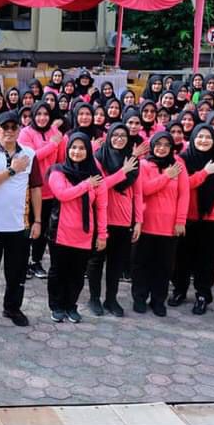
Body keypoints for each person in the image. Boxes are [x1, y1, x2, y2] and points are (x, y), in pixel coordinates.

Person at [0, 111, 43, 328]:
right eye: (5, 127)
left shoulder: (29, 154)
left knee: (17, 272)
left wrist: (38, 220)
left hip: (19, 225)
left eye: (14, 127)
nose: (9, 132)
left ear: (19, 130)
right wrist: (12, 170)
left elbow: (36, 188)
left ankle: (12, 307)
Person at [45, 132, 108, 323]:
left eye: (81, 148)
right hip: (60, 232)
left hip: (84, 234)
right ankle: (56, 306)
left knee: (77, 274)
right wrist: (86, 185)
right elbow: (63, 194)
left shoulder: (96, 177)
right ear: (67, 149)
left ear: (88, 151)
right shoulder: (58, 171)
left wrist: (102, 235)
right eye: (73, 147)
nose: (77, 151)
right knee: (58, 271)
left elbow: (101, 208)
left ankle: (70, 305)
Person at [86, 124, 143, 314]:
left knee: (116, 263)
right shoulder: (98, 158)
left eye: (123, 136)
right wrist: (122, 172)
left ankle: (111, 299)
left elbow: (138, 193)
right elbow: (100, 185)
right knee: (96, 261)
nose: (119, 138)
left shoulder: (133, 161)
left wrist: (138, 221)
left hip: (124, 220)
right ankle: (94, 298)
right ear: (109, 136)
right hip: (101, 218)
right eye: (115, 135)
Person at [132, 132, 189, 316]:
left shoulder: (178, 166)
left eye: (166, 145)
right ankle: (140, 298)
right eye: (158, 144)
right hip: (146, 224)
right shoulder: (143, 164)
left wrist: (181, 220)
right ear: (152, 145)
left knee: (164, 267)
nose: (162, 148)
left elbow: (184, 195)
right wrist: (166, 176)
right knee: (142, 264)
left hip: (169, 227)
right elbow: (144, 190)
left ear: (171, 148)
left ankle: (158, 300)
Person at [170, 123, 214, 313]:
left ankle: (203, 294)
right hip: (186, 216)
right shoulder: (182, 159)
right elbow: (184, 184)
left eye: (208, 137)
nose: (204, 140)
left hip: (212, 217)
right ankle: (179, 290)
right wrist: (205, 172)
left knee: (207, 259)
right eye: (200, 136)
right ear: (193, 138)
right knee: (182, 257)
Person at [19, 100, 65, 280]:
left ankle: (36, 261)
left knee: (43, 228)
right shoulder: (25, 133)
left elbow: (60, 162)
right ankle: (22, 262)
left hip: (50, 190)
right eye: (38, 114)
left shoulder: (56, 134)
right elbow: (30, 158)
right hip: (29, 189)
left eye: (46, 114)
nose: (42, 118)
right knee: (27, 226)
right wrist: (51, 145)